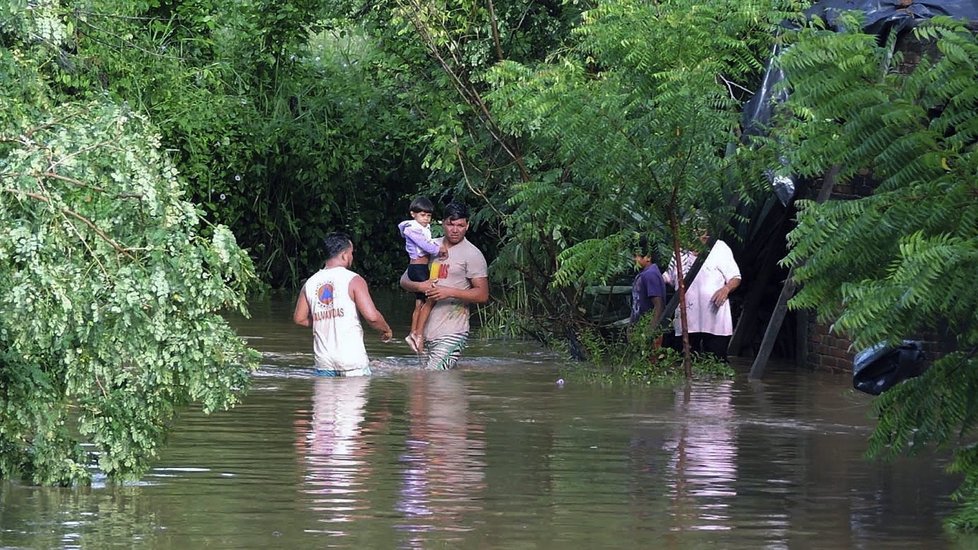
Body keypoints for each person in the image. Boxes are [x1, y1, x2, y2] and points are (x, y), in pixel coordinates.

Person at [399, 202, 489, 370]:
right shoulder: (429, 245)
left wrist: (448, 292)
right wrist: (422, 287)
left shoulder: (473, 254)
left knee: (432, 375)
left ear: (467, 225)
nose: (455, 230)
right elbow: (404, 281)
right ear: (442, 223)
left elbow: (482, 295)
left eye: (460, 225)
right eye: (450, 224)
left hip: (452, 332)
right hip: (424, 333)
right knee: (428, 386)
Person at [293, 232, 393, 376]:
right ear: (345, 255)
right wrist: (386, 330)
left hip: (324, 363)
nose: (352, 257)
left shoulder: (310, 282)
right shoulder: (353, 280)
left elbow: (300, 319)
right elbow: (372, 317)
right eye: (351, 253)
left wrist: (325, 319)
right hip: (352, 362)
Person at [662, 225, 741, 362]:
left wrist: (726, 289)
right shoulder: (679, 251)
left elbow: (735, 277)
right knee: (685, 363)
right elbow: (668, 277)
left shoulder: (720, 248)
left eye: (701, 231)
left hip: (715, 322)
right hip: (687, 322)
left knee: (717, 363)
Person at [398, 197, 448, 353]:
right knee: (429, 299)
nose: (426, 219)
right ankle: (418, 334)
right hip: (417, 268)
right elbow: (425, 245)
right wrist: (440, 249)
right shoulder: (412, 229)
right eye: (422, 215)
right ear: (413, 214)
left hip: (421, 267)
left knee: (419, 303)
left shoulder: (422, 228)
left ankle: (413, 333)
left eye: (428, 216)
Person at [630, 234, 666, 349]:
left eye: (637, 256)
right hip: (641, 328)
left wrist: (651, 330)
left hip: (647, 329)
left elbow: (658, 304)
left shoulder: (650, 275)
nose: (634, 259)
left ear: (648, 257)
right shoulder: (645, 274)